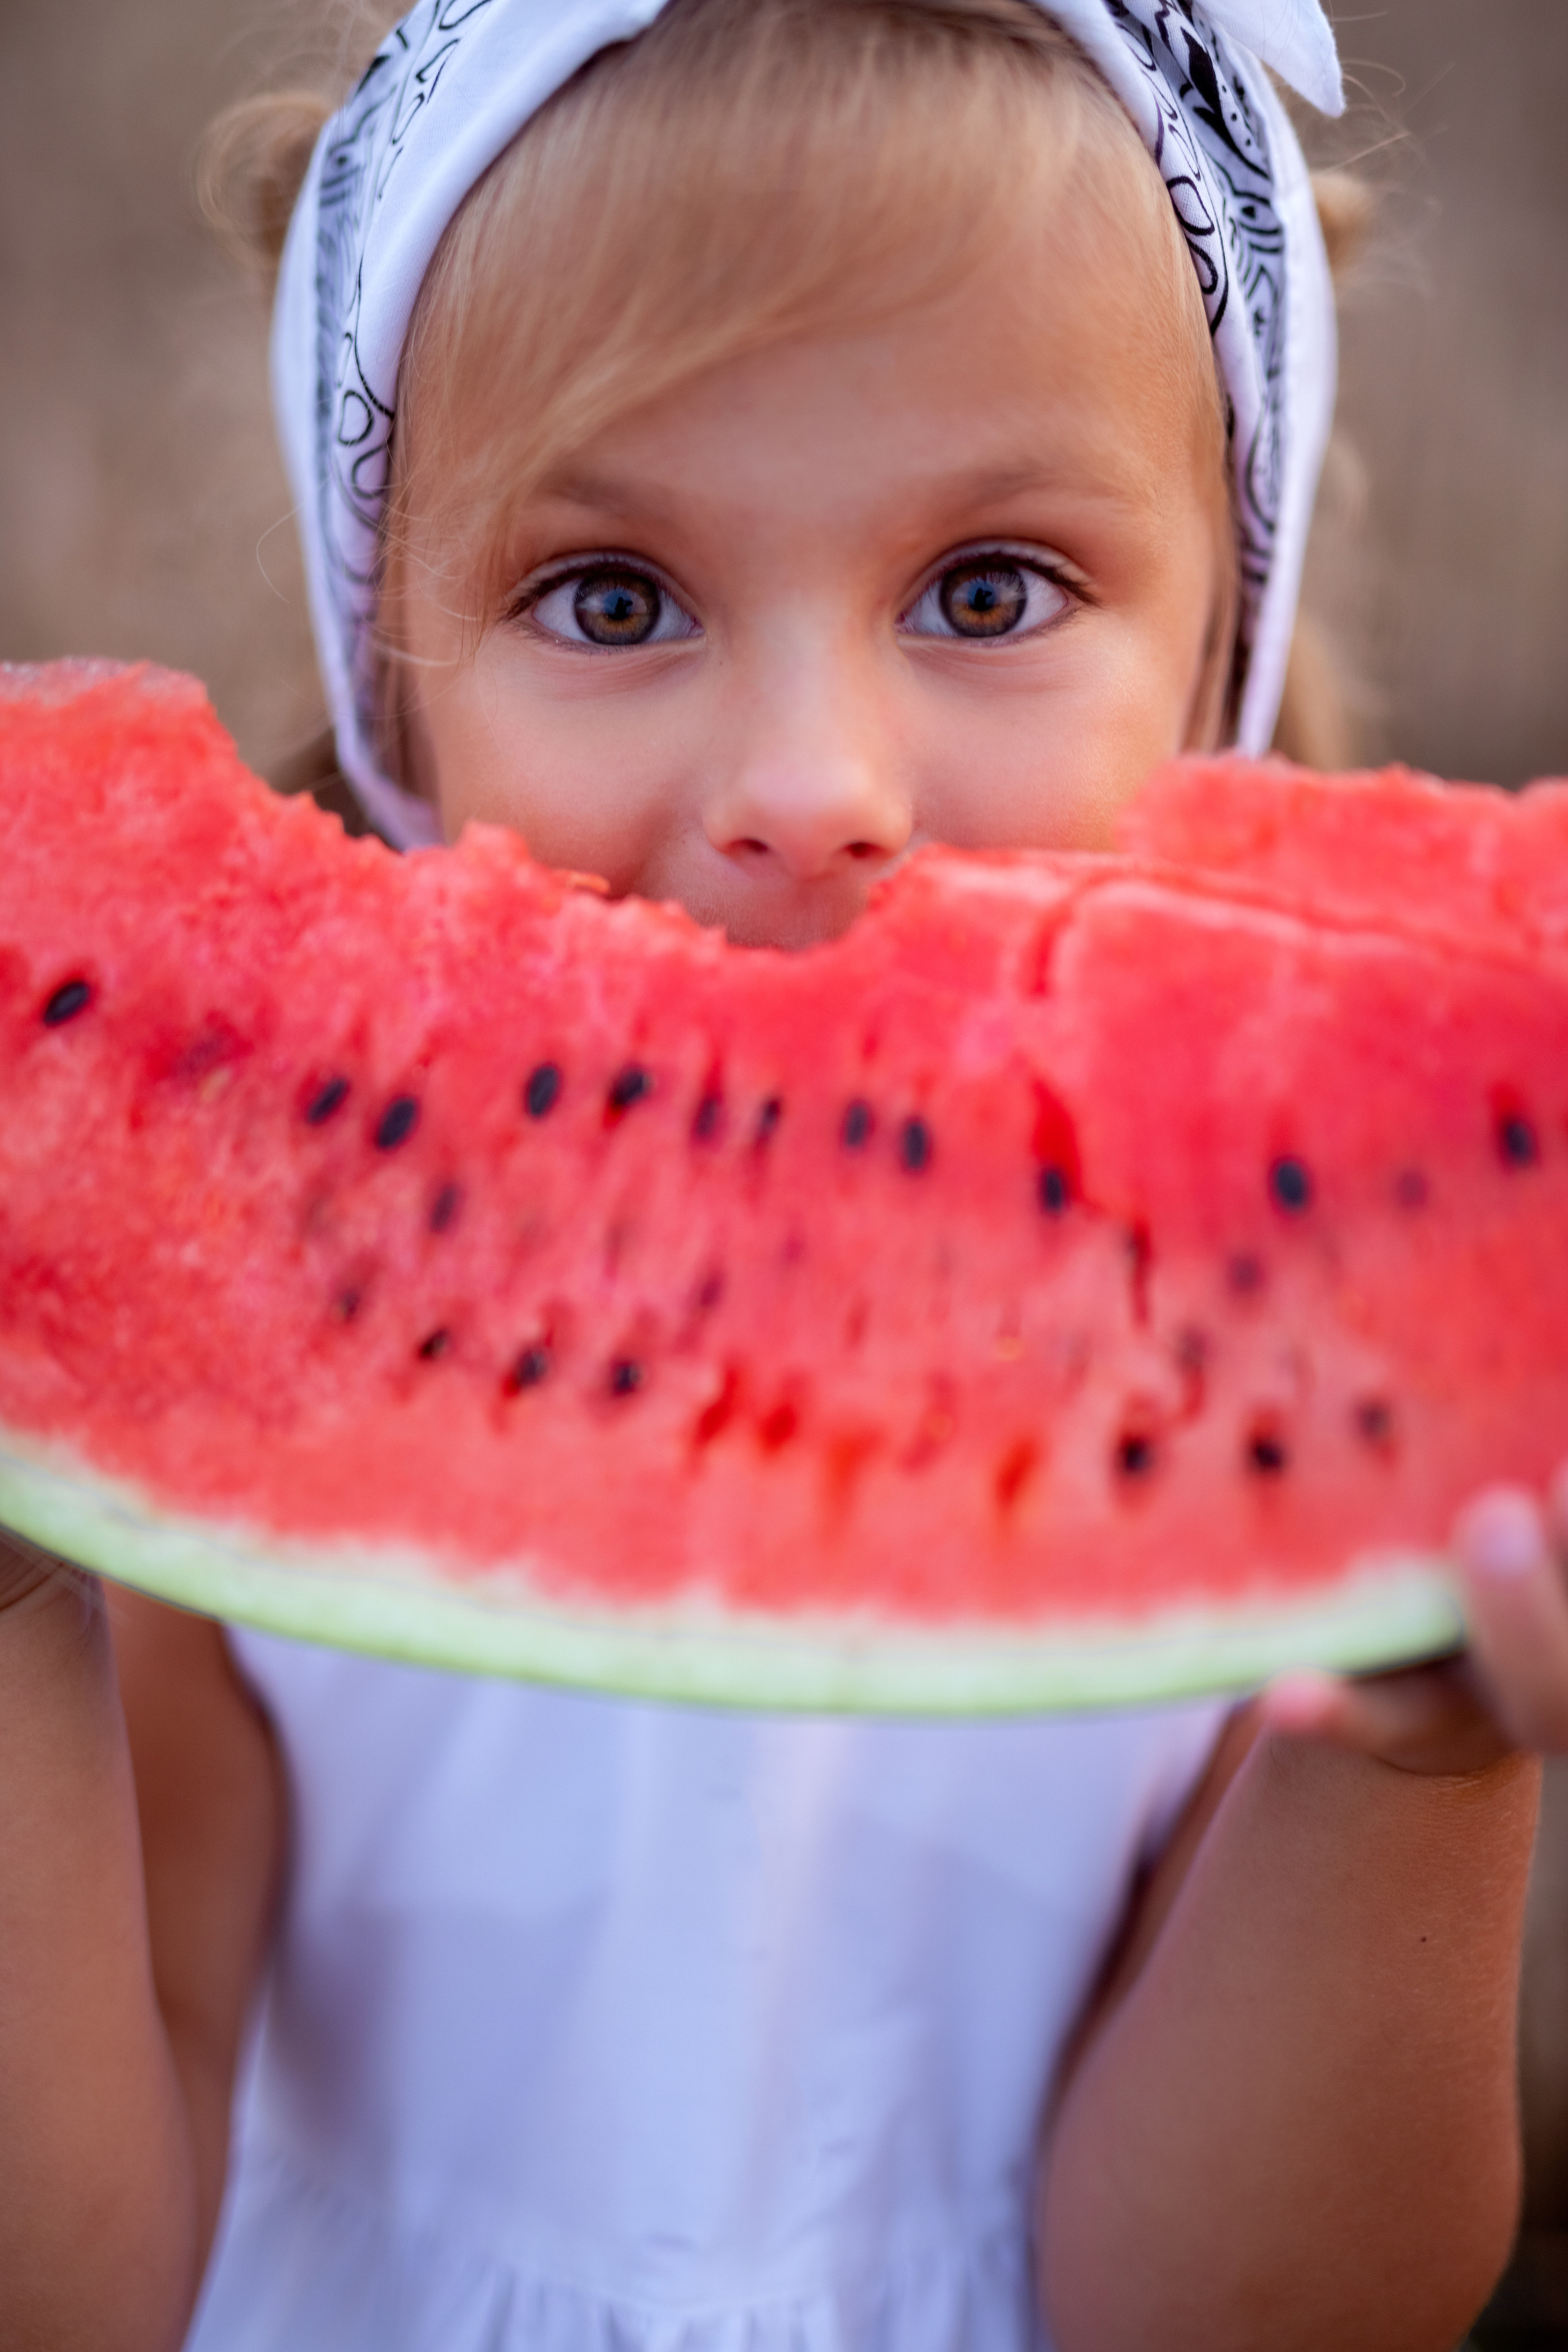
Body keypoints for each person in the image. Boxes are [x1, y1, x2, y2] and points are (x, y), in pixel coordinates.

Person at [3, 2, 1567, 2346]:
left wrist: (1424, 1768)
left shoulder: (1285, 1363)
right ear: (404, 689)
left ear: (1216, 652)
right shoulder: (241, 1309)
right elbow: (84, 2283)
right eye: (614, 599)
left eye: (991, 589)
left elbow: (1232, 2314)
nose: (814, 779)